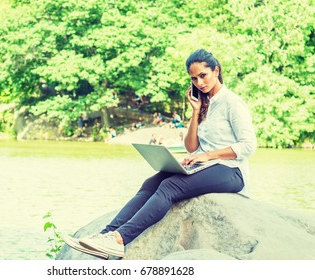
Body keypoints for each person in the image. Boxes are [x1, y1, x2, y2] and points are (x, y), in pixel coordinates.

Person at [62, 49, 257, 259]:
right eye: (194, 78)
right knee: (151, 183)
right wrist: (195, 112)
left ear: (216, 71)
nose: (199, 82)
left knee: (170, 186)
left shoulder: (232, 103)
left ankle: (120, 239)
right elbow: (192, 147)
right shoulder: (204, 104)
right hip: (204, 166)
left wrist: (208, 156)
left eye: (203, 75)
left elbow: (248, 146)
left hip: (231, 171)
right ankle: (104, 236)